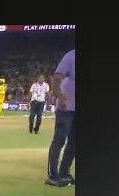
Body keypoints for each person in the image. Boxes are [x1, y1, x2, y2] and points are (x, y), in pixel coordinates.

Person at [46, 49, 76, 187]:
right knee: (59, 141)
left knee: (74, 142)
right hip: (66, 108)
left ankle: (64, 172)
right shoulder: (70, 56)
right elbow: (56, 77)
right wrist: (60, 96)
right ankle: (53, 175)